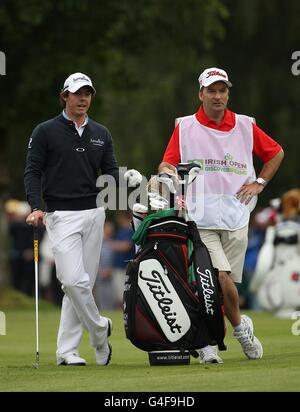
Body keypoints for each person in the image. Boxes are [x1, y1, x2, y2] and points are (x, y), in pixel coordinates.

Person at [158, 67, 284, 364]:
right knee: (214, 278)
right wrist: (168, 175)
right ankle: (224, 336)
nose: (217, 96)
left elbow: (276, 153)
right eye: (211, 90)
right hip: (199, 217)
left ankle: (227, 329)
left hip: (237, 215)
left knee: (226, 287)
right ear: (200, 94)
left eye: (222, 90)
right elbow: (167, 163)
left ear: (228, 93)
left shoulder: (244, 125)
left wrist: (259, 183)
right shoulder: (186, 127)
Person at [24, 72, 141, 366]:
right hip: (61, 215)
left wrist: (129, 180)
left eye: (87, 94)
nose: (82, 99)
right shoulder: (45, 131)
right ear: (65, 96)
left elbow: (109, 173)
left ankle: (67, 351)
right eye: (77, 94)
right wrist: (36, 206)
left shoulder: (101, 133)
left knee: (81, 287)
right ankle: (100, 330)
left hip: (95, 213)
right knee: (73, 281)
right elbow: (33, 171)